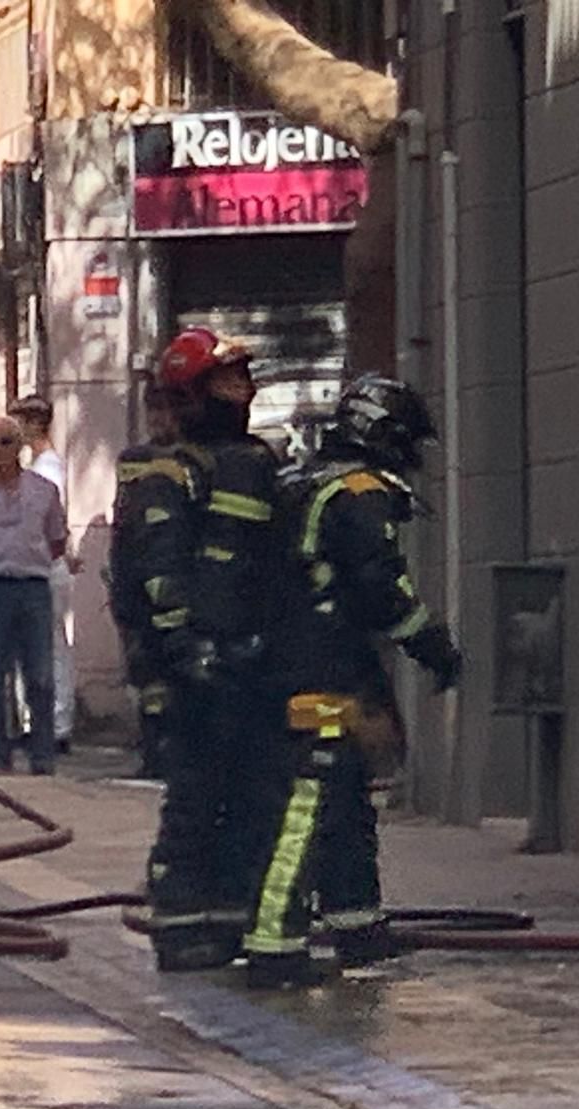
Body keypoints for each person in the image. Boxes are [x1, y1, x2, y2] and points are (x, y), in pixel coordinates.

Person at [243, 374, 464, 989]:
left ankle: (356, 926)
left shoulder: (302, 480)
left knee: (342, 798)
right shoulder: (359, 492)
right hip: (317, 673)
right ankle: (275, 946)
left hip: (297, 665)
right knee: (311, 807)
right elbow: (379, 590)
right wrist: (433, 646)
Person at [140, 327, 285, 973]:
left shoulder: (257, 462)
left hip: (252, 660)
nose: (244, 391)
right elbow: (157, 573)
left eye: (245, 379)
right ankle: (178, 926)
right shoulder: (168, 472)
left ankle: (231, 920)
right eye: (228, 381)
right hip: (195, 666)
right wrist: (183, 648)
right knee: (195, 799)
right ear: (194, 392)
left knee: (252, 796)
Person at [0, 415, 68, 775]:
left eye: (6, 442)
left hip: (31, 588)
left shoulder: (44, 490)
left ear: (20, 445)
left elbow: (57, 540)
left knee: (39, 675)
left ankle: (42, 755)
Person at [107, 382, 186, 780]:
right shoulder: (132, 460)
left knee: (181, 674)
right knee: (147, 676)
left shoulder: (194, 459)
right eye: (153, 411)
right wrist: (119, 584)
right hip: (135, 586)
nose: (158, 420)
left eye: (166, 411)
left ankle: (179, 752)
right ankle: (155, 752)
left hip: (175, 584)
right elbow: (122, 523)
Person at [7, 394, 76, 753]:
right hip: (40, 565)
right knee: (39, 648)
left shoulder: (46, 470)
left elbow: (44, 524)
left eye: (17, 423)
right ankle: (42, 721)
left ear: (34, 424)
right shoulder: (40, 468)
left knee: (48, 649)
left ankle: (57, 723)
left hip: (44, 567)